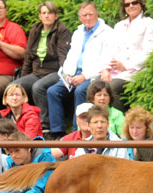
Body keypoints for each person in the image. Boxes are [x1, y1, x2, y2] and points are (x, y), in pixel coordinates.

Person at [46, 1, 113, 138]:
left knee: (81, 91)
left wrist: (84, 76)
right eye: (84, 15)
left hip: (93, 76)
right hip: (74, 74)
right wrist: (68, 74)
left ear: (97, 14)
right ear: (79, 17)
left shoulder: (107, 33)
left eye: (90, 14)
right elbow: (71, 56)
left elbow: (106, 60)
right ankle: (57, 132)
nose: (87, 18)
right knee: (52, 91)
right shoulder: (78, 33)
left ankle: (78, 131)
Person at [11, 1, 71, 132]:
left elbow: (63, 55)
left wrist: (66, 74)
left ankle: (45, 126)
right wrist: (23, 77)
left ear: (56, 16)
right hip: (36, 72)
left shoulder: (62, 30)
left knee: (38, 87)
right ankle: (17, 122)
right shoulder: (35, 29)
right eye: (43, 13)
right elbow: (28, 56)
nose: (46, 16)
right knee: (14, 87)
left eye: (50, 13)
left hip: (55, 71)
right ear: (40, 16)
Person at [101, 0, 153, 111]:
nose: (131, 6)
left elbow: (150, 53)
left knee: (112, 88)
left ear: (141, 4)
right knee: (94, 86)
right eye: (127, 4)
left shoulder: (149, 24)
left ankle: (120, 125)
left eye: (134, 2)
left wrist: (126, 66)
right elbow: (109, 50)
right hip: (115, 72)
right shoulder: (119, 26)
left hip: (136, 72)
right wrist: (105, 69)